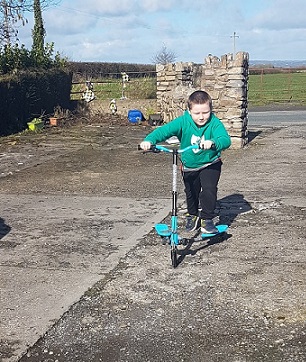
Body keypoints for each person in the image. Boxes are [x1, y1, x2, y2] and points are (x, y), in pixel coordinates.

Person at [139, 90, 231, 234]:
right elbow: (163, 131)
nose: (201, 117)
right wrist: (149, 141)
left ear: (210, 110)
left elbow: (225, 139)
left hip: (210, 163)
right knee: (191, 192)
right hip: (189, 165)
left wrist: (213, 142)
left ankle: (207, 220)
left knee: (209, 190)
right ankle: (193, 215)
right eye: (197, 113)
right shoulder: (183, 121)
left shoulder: (214, 123)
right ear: (189, 111)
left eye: (205, 113)